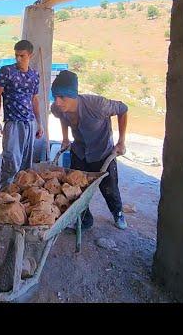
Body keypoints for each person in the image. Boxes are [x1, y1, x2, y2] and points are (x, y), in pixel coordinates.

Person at [50, 70, 129, 230]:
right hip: (79, 151)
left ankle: (118, 213)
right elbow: (62, 117)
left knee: (109, 188)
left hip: (103, 153)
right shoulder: (58, 108)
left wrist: (121, 141)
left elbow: (123, 109)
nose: (57, 102)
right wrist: (65, 138)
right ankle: (85, 220)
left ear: (73, 95)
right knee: (75, 189)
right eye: (55, 96)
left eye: (62, 97)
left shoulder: (97, 105)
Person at [0, 39, 44, 189]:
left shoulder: (34, 75)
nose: (18, 58)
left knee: (25, 165)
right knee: (11, 161)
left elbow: (35, 99)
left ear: (30, 55)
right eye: (16, 55)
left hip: (29, 122)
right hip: (13, 122)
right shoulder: (7, 71)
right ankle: (5, 195)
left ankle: (20, 199)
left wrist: (39, 123)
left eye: (22, 55)